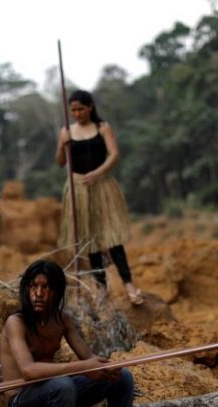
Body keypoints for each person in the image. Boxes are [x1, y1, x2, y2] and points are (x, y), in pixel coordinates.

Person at [0, 259, 136, 407]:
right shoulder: (16, 322)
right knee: (62, 385)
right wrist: (82, 368)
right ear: (26, 290)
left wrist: (105, 370)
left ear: (56, 292)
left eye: (45, 287)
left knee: (123, 378)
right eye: (33, 287)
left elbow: (88, 358)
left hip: (55, 394)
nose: (38, 293)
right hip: (23, 401)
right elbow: (28, 371)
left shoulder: (62, 320)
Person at [55, 90, 143, 306]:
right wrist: (62, 144)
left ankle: (129, 285)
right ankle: (102, 289)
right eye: (73, 110)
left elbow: (114, 154)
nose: (77, 113)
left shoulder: (102, 127)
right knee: (91, 241)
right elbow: (60, 162)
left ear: (90, 107)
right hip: (78, 188)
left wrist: (98, 173)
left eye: (80, 109)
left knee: (112, 238)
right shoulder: (66, 131)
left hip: (102, 186)